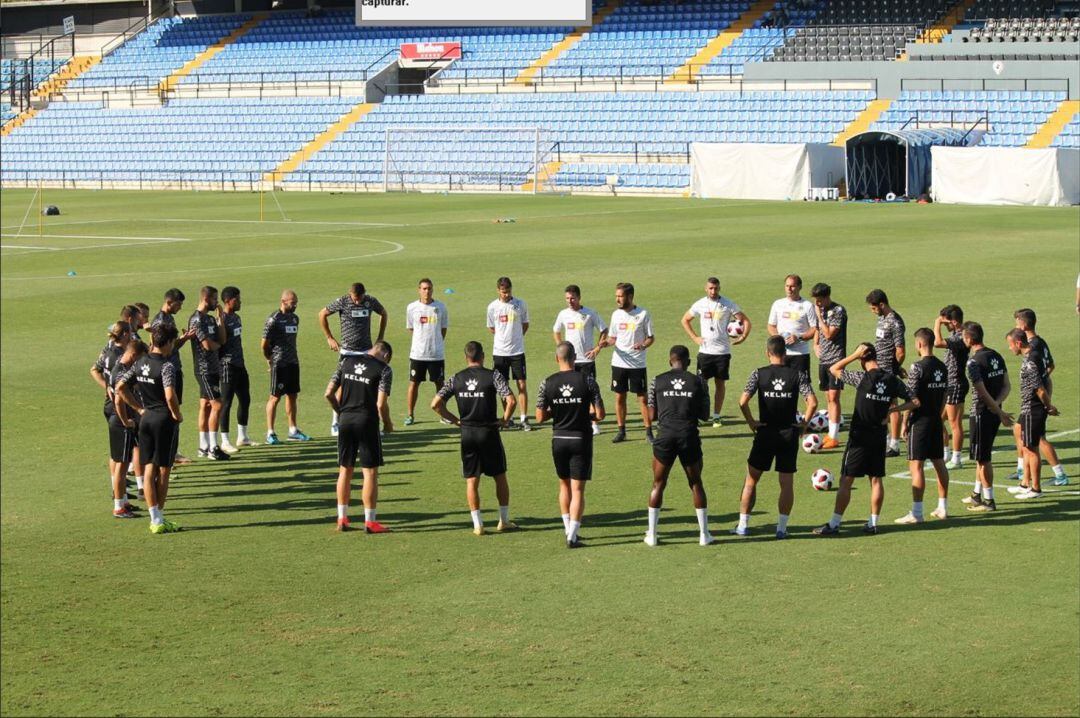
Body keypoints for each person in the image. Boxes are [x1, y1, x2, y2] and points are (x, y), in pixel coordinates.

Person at [812, 343, 915, 536]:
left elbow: (833, 369)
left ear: (862, 359)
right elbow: (915, 401)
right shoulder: (892, 380)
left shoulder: (862, 378)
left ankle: (834, 524)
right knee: (875, 480)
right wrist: (893, 410)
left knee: (846, 480)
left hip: (859, 438)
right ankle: (873, 523)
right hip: (878, 437)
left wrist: (853, 354)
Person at [733, 336, 817, 539]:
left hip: (765, 433)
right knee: (786, 483)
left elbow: (742, 401)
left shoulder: (758, 374)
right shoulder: (798, 375)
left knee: (751, 481)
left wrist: (752, 422)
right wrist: (803, 424)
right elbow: (812, 402)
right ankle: (781, 528)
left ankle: (743, 526)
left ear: (767, 353)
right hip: (788, 433)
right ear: (785, 354)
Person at [433, 341, 518, 535]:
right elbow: (511, 400)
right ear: (482, 356)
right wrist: (504, 420)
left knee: (472, 480)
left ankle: (478, 524)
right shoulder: (493, 375)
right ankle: (503, 520)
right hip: (489, 432)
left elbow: (435, 404)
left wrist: (455, 420)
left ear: (466, 357)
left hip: (468, 433)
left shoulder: (456, 378)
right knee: (499, 476)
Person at [535, 342, 606, 549]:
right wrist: (585, 413)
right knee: (578, 489)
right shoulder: (588, 380)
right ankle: (573, 536)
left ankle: (568, 529)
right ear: (574, 358)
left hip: (559, 439)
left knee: (563, 485)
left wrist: (556, 412)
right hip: (580, 439)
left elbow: (539, 416)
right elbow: (600, 414)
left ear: (557, 358)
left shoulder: (546, 383)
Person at [115, 323, 183, 535]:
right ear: (170, 342)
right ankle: (159, 518)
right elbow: (170, 395)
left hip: (146, 420)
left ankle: (155, 518)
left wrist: (138, 408)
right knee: (164, 469)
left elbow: (120, 387)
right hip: (164, 420)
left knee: (148, 468)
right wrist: (176, 414)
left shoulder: (139, 362)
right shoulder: (167, 366)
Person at [644, 345, 714, 546]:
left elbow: (651, 415)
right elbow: (706, 415)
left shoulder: (656, 381)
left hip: (664, 436)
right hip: (688, 436)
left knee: (658, 483)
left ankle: (653, 535)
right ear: (689, 362)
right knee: (696, 483)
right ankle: (704, 535)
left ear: (669, 361)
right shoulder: (699, 381)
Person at [325, 341, 394, 533]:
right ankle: (370, 522)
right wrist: (388, 423)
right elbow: (381, 405)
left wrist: (341, 412)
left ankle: (342, 519)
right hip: (367, 421)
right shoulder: (384, 370)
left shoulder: (345, 362)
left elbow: (328, 393)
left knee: (344, 470)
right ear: (386, 355)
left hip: (345, 420)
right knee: (370, 472)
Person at [1007, 309, 1068, 486]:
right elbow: (1051, 365)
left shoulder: (1033, 346)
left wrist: (1039, 385)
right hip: (1038, 394)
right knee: (1019, 430)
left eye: (1017, 322)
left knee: (1038, 438)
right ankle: (1022, 472)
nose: (1016, 326)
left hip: (1037, 397)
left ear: (1024, 325)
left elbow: (1044, 368)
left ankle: (1059, 474)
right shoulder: (1039, 342)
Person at [895, 328, 950, 524]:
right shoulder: (943, 367)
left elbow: (913, 399)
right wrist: (939, 414)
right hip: (935, 419)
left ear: (919, 344)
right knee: (939, 462)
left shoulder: (917, 367)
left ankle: (917, 513)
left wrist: (903, 420)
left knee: (916, 466)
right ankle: (943, 507)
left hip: (919, 422)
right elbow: (945, 395)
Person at [680, 277, 751, 427]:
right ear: (706, 288)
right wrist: (694, 337)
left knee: (720, 384)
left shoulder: (727, 304)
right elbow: (685, 320)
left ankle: (716, 416)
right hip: (705, 352)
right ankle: (699, 415)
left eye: (716, 288)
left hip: (722, 353)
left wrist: (743, 337)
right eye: (710, 288)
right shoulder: (700, 304)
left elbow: (745, 321)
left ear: (719, 288)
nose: (713, 291)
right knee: (700, 385)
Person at [319, 282, 387, 437]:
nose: (357, 302)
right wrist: (329, 337)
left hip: (366, 351)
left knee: (368, 387)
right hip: (348, 352)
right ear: (350, 294)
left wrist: (380, 337)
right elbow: (322, 314)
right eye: (355, 298)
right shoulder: (343, 301)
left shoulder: (370, 301)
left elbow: (384, 313)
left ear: (364, 294)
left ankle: (371, 423)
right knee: (342, 387)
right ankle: (336, 422)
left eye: (359, 298)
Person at [959, 322, 1012, 513]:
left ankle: (989, 501)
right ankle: (977, 494)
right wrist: (999, 406)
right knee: (981, 455)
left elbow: (981, 392)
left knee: (983, 459)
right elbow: (1007, 385)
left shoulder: (973, 363)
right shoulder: (995, 355)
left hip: (981, 414)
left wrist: (998, 411)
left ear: (969, 339)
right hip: (993, 412)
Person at [1005, 329, 1058, 500]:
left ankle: (1036, 488)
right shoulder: (1035, 355)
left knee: (1031, 449)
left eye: (1010, 344)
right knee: (1025, 444)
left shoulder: (1030, 362)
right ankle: (1025, 483)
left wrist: (1049, 406)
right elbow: (1045, 379)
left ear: (1019, 344)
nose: (1010, 348)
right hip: (1029, 407)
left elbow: (1040, 389)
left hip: (1033, 408)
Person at [552, 284, 608, 435]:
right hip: (570, 362)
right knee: (572, 393)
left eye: (572, 298)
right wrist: (561, 347)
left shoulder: (590, 313)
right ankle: (576, 420)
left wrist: (597, 348)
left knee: (589, 392)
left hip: (587, 360)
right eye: (567, 298)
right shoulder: (563, 314)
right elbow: (556, 331)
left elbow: (604, 329)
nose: (570, 301)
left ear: (579, 297)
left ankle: (594, 424)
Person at [605, 282, 655, 444]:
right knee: (620, 396)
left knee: (642, 399)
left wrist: (643, 345)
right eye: (616, 296)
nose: (617, 299)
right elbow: (613, 337)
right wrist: (605, 343)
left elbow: (650, 338)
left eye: (620, 296)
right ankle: (621, 431)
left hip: (637, 364)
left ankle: (649, 432)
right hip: (619, 363)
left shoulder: (643, 314)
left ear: (630, 297)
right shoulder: (616, 315)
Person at [151, 289, 196, 464]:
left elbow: (171, 346)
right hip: (167, 371)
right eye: (179, 304)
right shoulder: (160, 321)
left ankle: (171, 451)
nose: (180, 307)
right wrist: (183, 340)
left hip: (174, 369)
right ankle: (166, 452)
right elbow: (158, 347)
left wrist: (184, 338)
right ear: (169, 302)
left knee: (172, 410)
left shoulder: (169, 318)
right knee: (168, 411)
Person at [91, 321, 134, 498]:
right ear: (124, 334)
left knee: (116, 453)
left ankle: (119, 493)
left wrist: (106, 386)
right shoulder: (123, 356)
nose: (132, 335)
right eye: (130, 332)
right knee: (123, 458)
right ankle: (119, 500)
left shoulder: (107, 350)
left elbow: (94, 370)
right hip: (119, 405)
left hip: (109, 404)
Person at [187, 286, 230, 461]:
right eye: (214, 299)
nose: (216, 302)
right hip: (204, 369)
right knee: (217, 405)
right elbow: (207, 345)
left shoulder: (211, 319)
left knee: (205, 405)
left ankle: (203, 446)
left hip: (213, 368)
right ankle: (213, 446)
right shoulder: (196, 320)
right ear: (206, 299)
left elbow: (222, 339)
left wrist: (220, 319)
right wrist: (218, 346)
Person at [263, 290, 309, 444]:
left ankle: (293, 430)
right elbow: (264, 344)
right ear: (283, 301)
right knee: (275, 397)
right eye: (292, 302)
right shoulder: (273, 319)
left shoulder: (295, 319)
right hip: (279, 363)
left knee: (292, 395)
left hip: (293, 362)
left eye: (296, 301)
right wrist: (270, 359)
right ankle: (270, 432)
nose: (295, 304)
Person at [486, 276, 531, 430]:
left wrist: (516, 338)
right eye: (504, 292)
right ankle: (508, 418)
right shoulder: (492, 307)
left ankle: (524, 418)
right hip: (499, 352)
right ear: (498, 290)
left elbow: (525, 324)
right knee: (502, 386)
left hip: (517, 351)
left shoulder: (520, 304)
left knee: (521, 384)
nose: (506, 294)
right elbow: (492, 328)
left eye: (509, 291)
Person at [865, 289, 906, 457]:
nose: (872, 311)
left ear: (882, 304)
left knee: (892, 405)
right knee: (881, 404)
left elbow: (900, 351)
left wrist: (893, 370)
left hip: (887, 371)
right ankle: (886, 439)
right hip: (878, 369)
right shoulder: (882, 318)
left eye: (874, 308)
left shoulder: (895, 322)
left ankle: (894, 445)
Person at [109, 339, 147, 518]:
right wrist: (126, 421)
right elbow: (118, 400)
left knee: (120, 464)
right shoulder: (122, 372)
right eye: (139, 359)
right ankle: (118, 507)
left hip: (117, 420)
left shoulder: (118, 366)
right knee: (121, 467)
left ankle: (123, 501)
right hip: (120, 421)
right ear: (133, 355)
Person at [404, 278, 448, 426]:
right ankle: (410, 415)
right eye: (424, 288)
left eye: (429, 288)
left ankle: (443, 414)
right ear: (419, 290)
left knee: (440, 384)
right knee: (414, 383)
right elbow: (411, 328)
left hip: (436, 354)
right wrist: (421, 341)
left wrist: (435, 342)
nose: (427, 291)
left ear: (432, 289)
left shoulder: (440, 307)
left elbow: (443, 329)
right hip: (418, 354)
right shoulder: (412, 308)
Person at [218, 286, 255, 452]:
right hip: (227, 365)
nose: (240, 302)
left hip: (240, 364)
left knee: (245, 400)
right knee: (226, 404)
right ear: (227, 301)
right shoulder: (221, 320)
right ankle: (224, 440)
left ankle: (243, 437)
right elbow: (220, 344)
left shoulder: (237, 318)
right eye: (237, 300)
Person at [810, 282, 846, 449]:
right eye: (815, 300)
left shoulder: (838, 311)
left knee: (833, 397)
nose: (817, 304)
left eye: (819, 300)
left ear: (826, 297)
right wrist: (815, 344)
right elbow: (818, 331)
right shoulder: (821, 310)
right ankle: (831, 434)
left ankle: (834, 436)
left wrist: (819, 316)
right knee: (827, 397)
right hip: (823, 360)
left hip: (836, 361)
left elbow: (829, 334)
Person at [934, 304, 968, 469]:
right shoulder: (956, 334)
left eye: (946, 322)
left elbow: (937, 343)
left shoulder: (961, 336)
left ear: (954, 322)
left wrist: (936, 323)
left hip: (956, 383)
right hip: (950, 382)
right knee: (938, 419)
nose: (944, 325)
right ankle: (946, 452)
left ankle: (957, 459)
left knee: (955, 423)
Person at [766, 274, 817, 382]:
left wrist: (798, 337)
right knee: (781, 385)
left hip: (800, 354)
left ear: (799, 287)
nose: (789, 289)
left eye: (792, 286)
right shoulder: (778, 304)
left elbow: (814, 329)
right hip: (780, 354)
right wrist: (778, 338)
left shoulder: (807, 305)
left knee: (804, 386)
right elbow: (771, 325)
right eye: (787, 286)